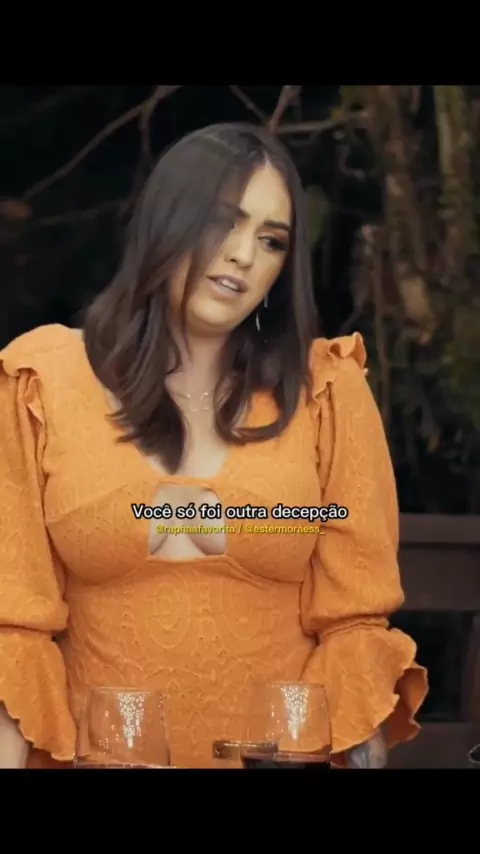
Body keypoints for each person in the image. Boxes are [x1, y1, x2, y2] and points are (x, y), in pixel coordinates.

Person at [0, 122, 428, 769]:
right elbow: (15, 636)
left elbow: (356, 630)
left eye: (272, 241)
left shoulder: (326, 390)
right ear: (165, 222)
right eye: (224, 222)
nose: (244, 255)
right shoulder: (42, 380)